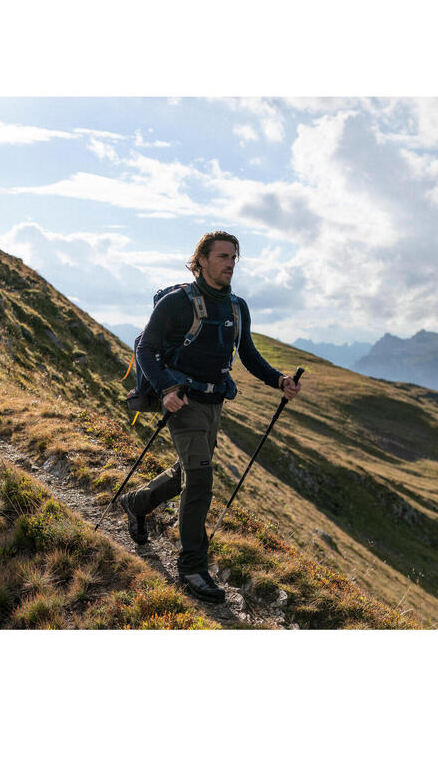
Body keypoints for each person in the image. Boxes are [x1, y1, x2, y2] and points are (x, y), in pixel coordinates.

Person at [121, 231, 302, 603]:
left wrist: (278, 380)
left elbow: (248, 354)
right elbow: (147, 349)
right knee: (201, 477)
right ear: (201, 259)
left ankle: (137, 503)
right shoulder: (176, 303)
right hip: (183, 401)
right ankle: (191, 567)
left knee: (186, 472)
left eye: (234, 256)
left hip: (215, 401)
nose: (230, 262)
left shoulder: (238, 307)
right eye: (222, 256)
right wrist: (168, 390)